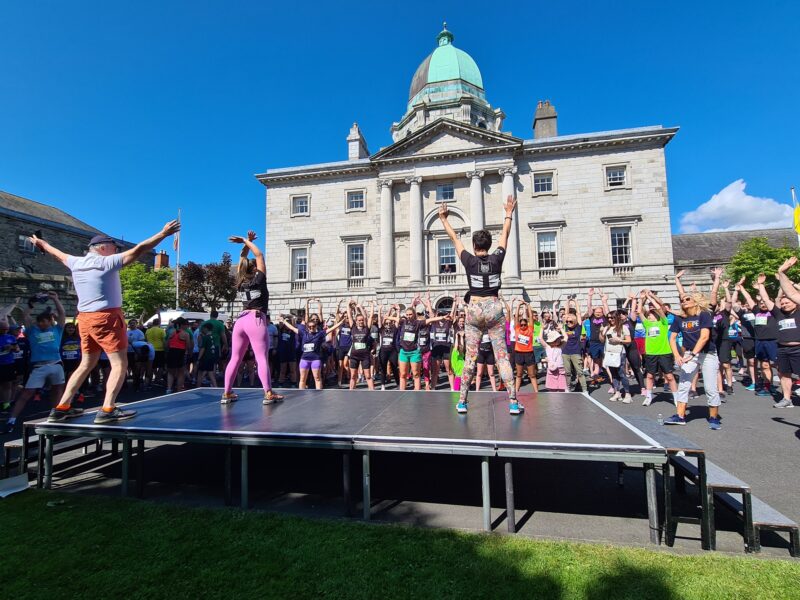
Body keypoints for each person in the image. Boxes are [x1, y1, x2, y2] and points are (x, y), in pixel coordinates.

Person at [30, 220, 180, 425]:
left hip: (84, 319)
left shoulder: (75, 262)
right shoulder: (105, 262)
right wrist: (163, 234)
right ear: (101, 248)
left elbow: (55, 252)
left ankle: (62, 407)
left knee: (86, 363)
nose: (116, 250)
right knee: (119, 363)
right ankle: (108, 409)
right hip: (107, 317)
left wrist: (40, 243)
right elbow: (139, 249)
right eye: (113, 247)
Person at [439, 195, 519, 414]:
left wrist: (444, 219)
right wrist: (508, 214)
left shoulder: (469, 260)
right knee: (502, 357)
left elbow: (454, 238)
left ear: (474, 246)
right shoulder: (497, 258)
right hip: (494, 307)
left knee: (470, 358)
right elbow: (505, 235)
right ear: (489, 246)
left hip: (474, 308)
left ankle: (462, 402)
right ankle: (513, 402)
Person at [222, 231, 283, 404]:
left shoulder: (241, 281)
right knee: (261, 358)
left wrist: (246, 242)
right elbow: (259, 255)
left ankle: (227, 393)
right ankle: (268, 393)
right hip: (255, 320)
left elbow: (243, 258)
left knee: (235, 358)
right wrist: (245, 240)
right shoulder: (259, 279)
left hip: (240, 321)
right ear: (255, 269)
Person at [6, 292, 68, 432]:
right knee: (27, 393)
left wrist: (55, 299)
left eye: (43, 321)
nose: (41, 323)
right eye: (39, 321)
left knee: (57, 390)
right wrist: (31, 302)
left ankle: (56, 415)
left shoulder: (57, 329)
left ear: (49, 321)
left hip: (56, 364)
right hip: (39, 367)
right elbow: (25, 315)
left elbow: (61, 313)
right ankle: (11, 420)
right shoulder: (32, 331)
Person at [666, 281, 722, 429]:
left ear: (695, 301)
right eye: (682, 300)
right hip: (689, 353)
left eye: (687, 299)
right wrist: (677, 355)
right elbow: (672, 338)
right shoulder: (680, 318)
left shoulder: (704, 315)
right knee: (684, 385)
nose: (683, 301)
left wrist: (693, 354)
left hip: (707, 354)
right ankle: (680, 416)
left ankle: (714, 417)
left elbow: (704, 337)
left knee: (710, 387)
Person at [759, 260, 800, 408]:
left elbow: (792, 293)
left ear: (795, 303)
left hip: (798, 349)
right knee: (783, 373)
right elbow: (765, 300)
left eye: (787, 302)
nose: (784, 304)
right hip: (782, 349)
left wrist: (782, 274)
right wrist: (761, 285)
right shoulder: (779, 313)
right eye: (782, 303)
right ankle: (787, 399)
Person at [637, 290, 677, 406]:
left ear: (656, 315)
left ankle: (676, 397)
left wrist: (650, 297)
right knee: (650, 376)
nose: (649, 315)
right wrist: (641, 299)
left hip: (664, 352)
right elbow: (639, 312)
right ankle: (648, 396)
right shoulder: (647, 324)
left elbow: (659, 308)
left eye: (650, 314)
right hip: (651, 353)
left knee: (669, 376)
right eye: (648, 314)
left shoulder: (663, 322)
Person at [601, 311, 632, 403]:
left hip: (619, 353)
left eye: (612, 317)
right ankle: (617, 392)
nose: (610, 319)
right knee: (613, 374)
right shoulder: (607, 327)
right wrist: (601, 332)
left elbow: (629, 340)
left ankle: (627, 394)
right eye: (608, 318)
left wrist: (619, 340)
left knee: (621, 374)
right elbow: (602, 340)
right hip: (609, 353)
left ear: (617, 318)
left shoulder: (623, 327)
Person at [513, 300, 539, 393]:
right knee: (519, 374)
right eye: (522, 325)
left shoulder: (530, 329)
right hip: (519, 353)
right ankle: (516, 391)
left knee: (532, 374)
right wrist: (518, 306)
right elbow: (516, 317)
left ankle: (536, 391)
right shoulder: (517, 329)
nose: (523, 326)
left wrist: (528, 306)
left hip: (529, 353)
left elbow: (531, 317)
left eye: (525, 324)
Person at [166, 318, 192, 393]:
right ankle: (179, 390)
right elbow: (188, 346)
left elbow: (167, 344)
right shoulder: (186, 334)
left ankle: (169, 389)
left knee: (170, 372)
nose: (187, 326)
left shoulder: (171, 333)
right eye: (186, 325)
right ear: (182, 325)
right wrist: (189, 353)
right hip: (181, 353)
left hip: (171, 352)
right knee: (181, 372)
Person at [199, 310, 229, 376]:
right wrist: (226, 345)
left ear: (210, 315)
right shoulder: (220, 324)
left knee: (205, 361)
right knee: (214, 363)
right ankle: (212, 377)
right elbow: (223, 335)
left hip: (205, 346)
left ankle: (203, 377)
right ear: (217, 316)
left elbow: (200, 335)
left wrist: (200, 345)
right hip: (215, 345)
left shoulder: (204, 323)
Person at [0, 317, 19, 413]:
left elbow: (17, 349)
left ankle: (6, 404)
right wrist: (3, 348)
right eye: (3, 329)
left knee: (8, 384)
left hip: (8, 364)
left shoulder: (11, 337)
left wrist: (12, 347)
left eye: (6, 329)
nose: (5, 331)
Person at [196, 323, 219, 388]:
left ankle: (198, 387)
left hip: (205, 357)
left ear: (206, 328)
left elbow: (203, 349)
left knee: (200, 373)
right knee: (210, 373)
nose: (202, 329)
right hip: (211, 357)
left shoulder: (205, 337)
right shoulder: (214, 337)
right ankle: (216, 387)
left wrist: (198, 358)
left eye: (203, 328)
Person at [145, 318, 166, 383]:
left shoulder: (148, 331)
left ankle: (149, 381)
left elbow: (146, 340)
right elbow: (164, 341)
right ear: (159, 323)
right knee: (161, 366)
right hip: (160, 350)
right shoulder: (161, 330)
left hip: (150, 349)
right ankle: (158, 379)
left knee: (151, 366)